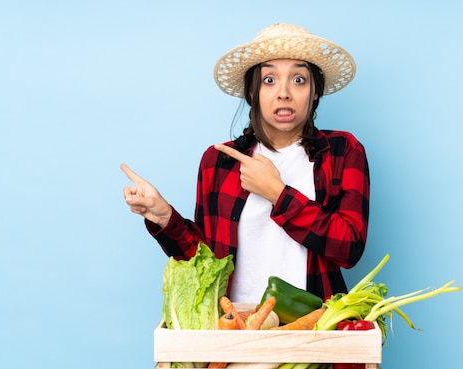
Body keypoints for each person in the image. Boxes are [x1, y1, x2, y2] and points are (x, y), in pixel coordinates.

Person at [122, 23, 369, 303]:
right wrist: (164, 216)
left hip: (315, 324)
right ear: (252, 92)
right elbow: (208, 263)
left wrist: (277, 193)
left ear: (315, 91)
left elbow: (349, 247)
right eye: (269, 80)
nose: (284, 93)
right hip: (235, 326)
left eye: (299, 79)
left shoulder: (341, 151)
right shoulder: (219, 161)